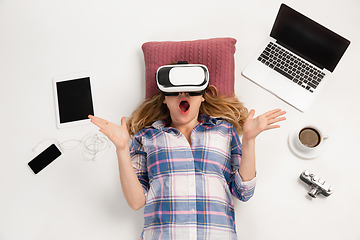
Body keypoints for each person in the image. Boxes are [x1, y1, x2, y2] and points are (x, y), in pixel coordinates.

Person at [89, 81, 286, 239]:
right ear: (165, 99)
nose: (183, 95)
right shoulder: (147, 137)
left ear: (202, 97)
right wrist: (122, 148)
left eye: (191, 90)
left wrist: (249, 140)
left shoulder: (224, 131)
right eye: (175, 91)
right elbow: (135, 201)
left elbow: (243, 192)